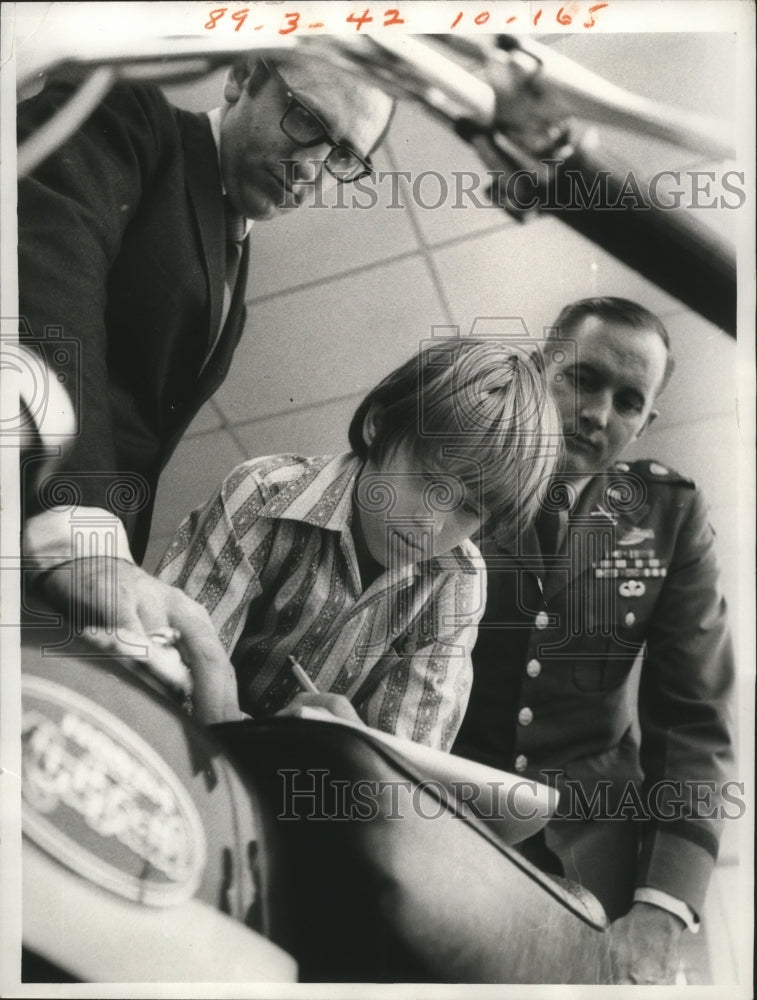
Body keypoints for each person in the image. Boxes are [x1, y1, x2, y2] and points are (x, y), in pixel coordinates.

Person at [17, 52, 395, 721]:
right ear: (242, 77)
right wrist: (83, 527)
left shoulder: (235, 263)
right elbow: (43, 286)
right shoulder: (126, 114)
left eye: (344, 156)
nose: (312, 167)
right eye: (306, 119)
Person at [453, 297, 735, 983]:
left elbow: (692, 717)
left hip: (594, 842)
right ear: (539, 368)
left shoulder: (669, 516)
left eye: (628, 401)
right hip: (451, 812)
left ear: (645, 423)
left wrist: (663, 907)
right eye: (581, 379)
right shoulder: (457, 474)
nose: (598, 414)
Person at [155, 339, 560, 746]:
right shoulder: (262, 492)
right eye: (428, 481)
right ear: (379, 425)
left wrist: (358, 753)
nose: (430, 526)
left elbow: (402, 778)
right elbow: (167, 676)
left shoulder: (459, 582)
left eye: (469, 509)